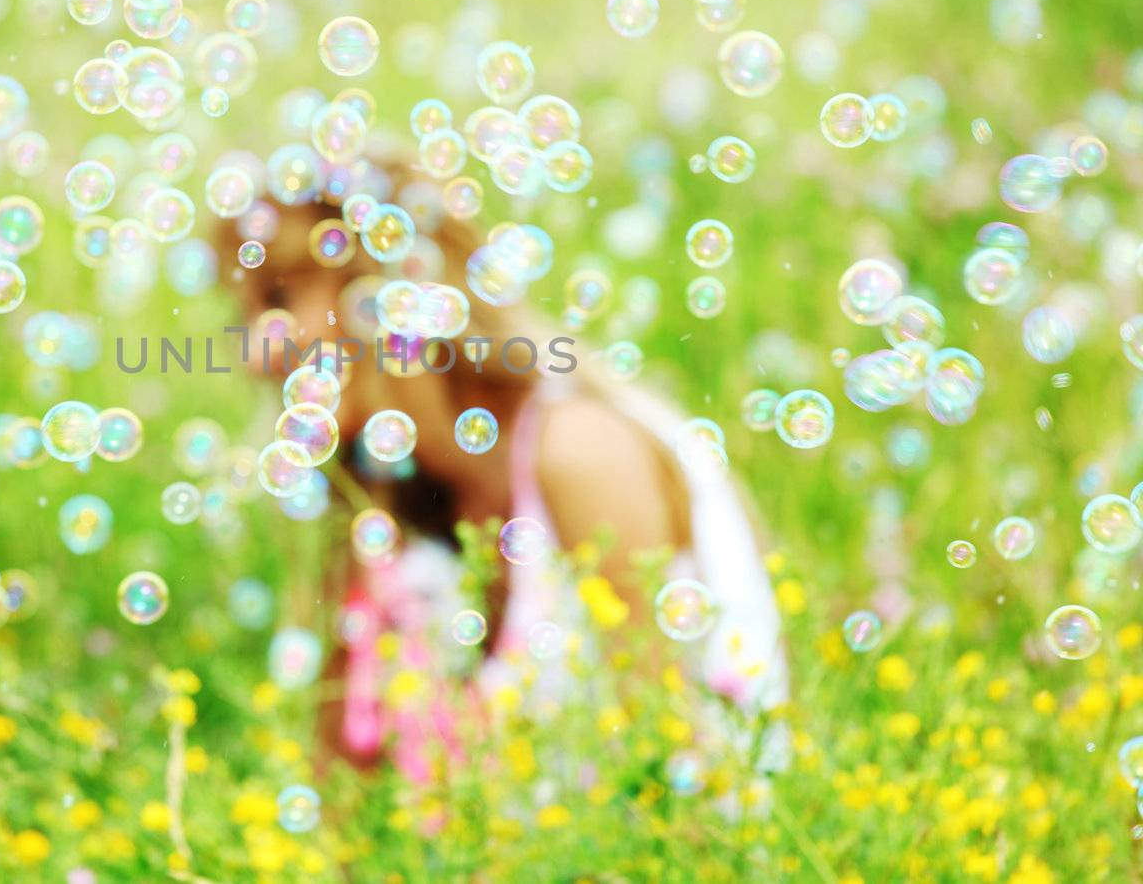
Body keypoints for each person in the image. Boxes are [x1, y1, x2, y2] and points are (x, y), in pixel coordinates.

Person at [226, 153, 789, 781]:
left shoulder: (580, 453)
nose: (256, 352)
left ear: (389, 285)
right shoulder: (387, 505)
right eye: (243, 313)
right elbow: (339, 791)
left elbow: (672, 776)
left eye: (280, 297)